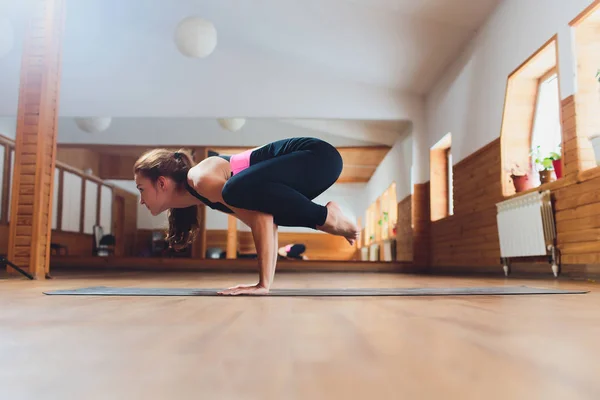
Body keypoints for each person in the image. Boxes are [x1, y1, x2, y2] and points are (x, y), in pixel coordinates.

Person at [133, 137, 359, 295]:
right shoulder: (203, 194)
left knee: (235, 192)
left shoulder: (200, 178)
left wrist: (262, 285)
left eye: (141, 189)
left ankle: (328, 217)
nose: (141, 199)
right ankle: (330, 215)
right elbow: (265, 219)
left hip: (317, 156)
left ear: (161, 182)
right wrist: (265, 284)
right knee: (267, 208)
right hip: (316, 165)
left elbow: (259, 219)